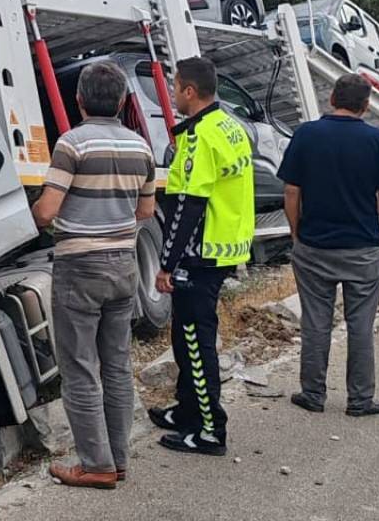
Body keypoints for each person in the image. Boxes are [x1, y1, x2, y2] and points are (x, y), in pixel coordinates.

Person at [31, 62, 156, 490]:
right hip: (123, 265)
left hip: (79, 268)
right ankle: (118, 460)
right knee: (117, 365)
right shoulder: (141, 147)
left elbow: (47, 211)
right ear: (122, 102)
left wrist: (40, 216)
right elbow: (146, 212)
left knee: (80, 367)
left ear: (79, 100)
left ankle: (95, 464)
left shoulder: (72, 144)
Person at [148, 57, 255, 457]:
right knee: (185, 336)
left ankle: (210, 430)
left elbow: (188, 206)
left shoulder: (198, 137)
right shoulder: (231, 126)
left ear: (189, 91)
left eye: (176, 88)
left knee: (195, 342)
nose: (174, 95)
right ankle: (188, 411)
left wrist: (166, 263)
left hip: (200, 253)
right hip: (225, 246)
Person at [276, 75, 379, 418]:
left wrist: (296, 232)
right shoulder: (378, 140)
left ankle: (313, 394)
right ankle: (360, 400)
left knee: (316, 322)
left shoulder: (306, 135)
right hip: (362, 248)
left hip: (314, 247)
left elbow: (291, 191)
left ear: (331, 98)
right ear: (366, 105)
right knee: (361, 325)